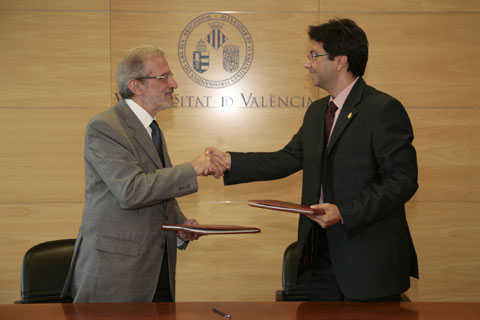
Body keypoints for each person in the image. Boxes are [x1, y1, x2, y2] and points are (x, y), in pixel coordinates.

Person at [207, 18, 418, 301]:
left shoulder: (382, 109)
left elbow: (402, 181)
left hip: (367, 260)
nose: (307, 63)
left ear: (340, 61)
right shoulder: (318, 111)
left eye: (314, 55)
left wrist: (345, 211)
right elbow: (287, 158)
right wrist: (231, 162)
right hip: (318, 255)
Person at [61, 45, 227, 303]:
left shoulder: (151, 129)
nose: (174, 83)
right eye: (163, 77)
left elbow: (159, 190)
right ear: (136, 86)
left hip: (155, 267)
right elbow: (131, 191)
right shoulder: (105, 126)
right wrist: (191, 168)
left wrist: (179, 225)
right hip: (115, 274)